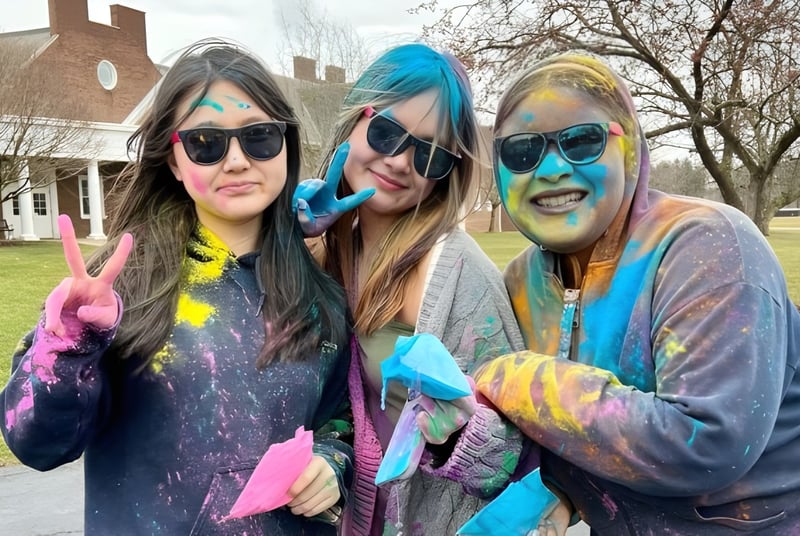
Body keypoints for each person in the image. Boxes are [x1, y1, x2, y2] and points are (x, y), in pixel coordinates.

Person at [0, 41, 354, 535]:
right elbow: (34, 444)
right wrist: (67, 349)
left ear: (287, 147)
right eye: (206, 143)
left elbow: (339, 420)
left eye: (260, 138)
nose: (236, 161)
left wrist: (331, 463)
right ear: (173, 158)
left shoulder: (323, 300)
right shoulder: (115, 290)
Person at [473, 51, 800, 534]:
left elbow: (706, 443)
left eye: (581, 142)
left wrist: (520, 378)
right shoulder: (522, 281)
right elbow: (552, 436)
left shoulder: (706, 245)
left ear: (628, 149)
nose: (551, 169)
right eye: (523, 151)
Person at [303, 42, 570, 536]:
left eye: (429, 154)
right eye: (385, 132)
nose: (401, 161)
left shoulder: (456, 275)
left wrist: (459, 431)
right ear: (354, 122)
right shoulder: (329, 244)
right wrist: (288, 242)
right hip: (349, 510)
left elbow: (512, 454)